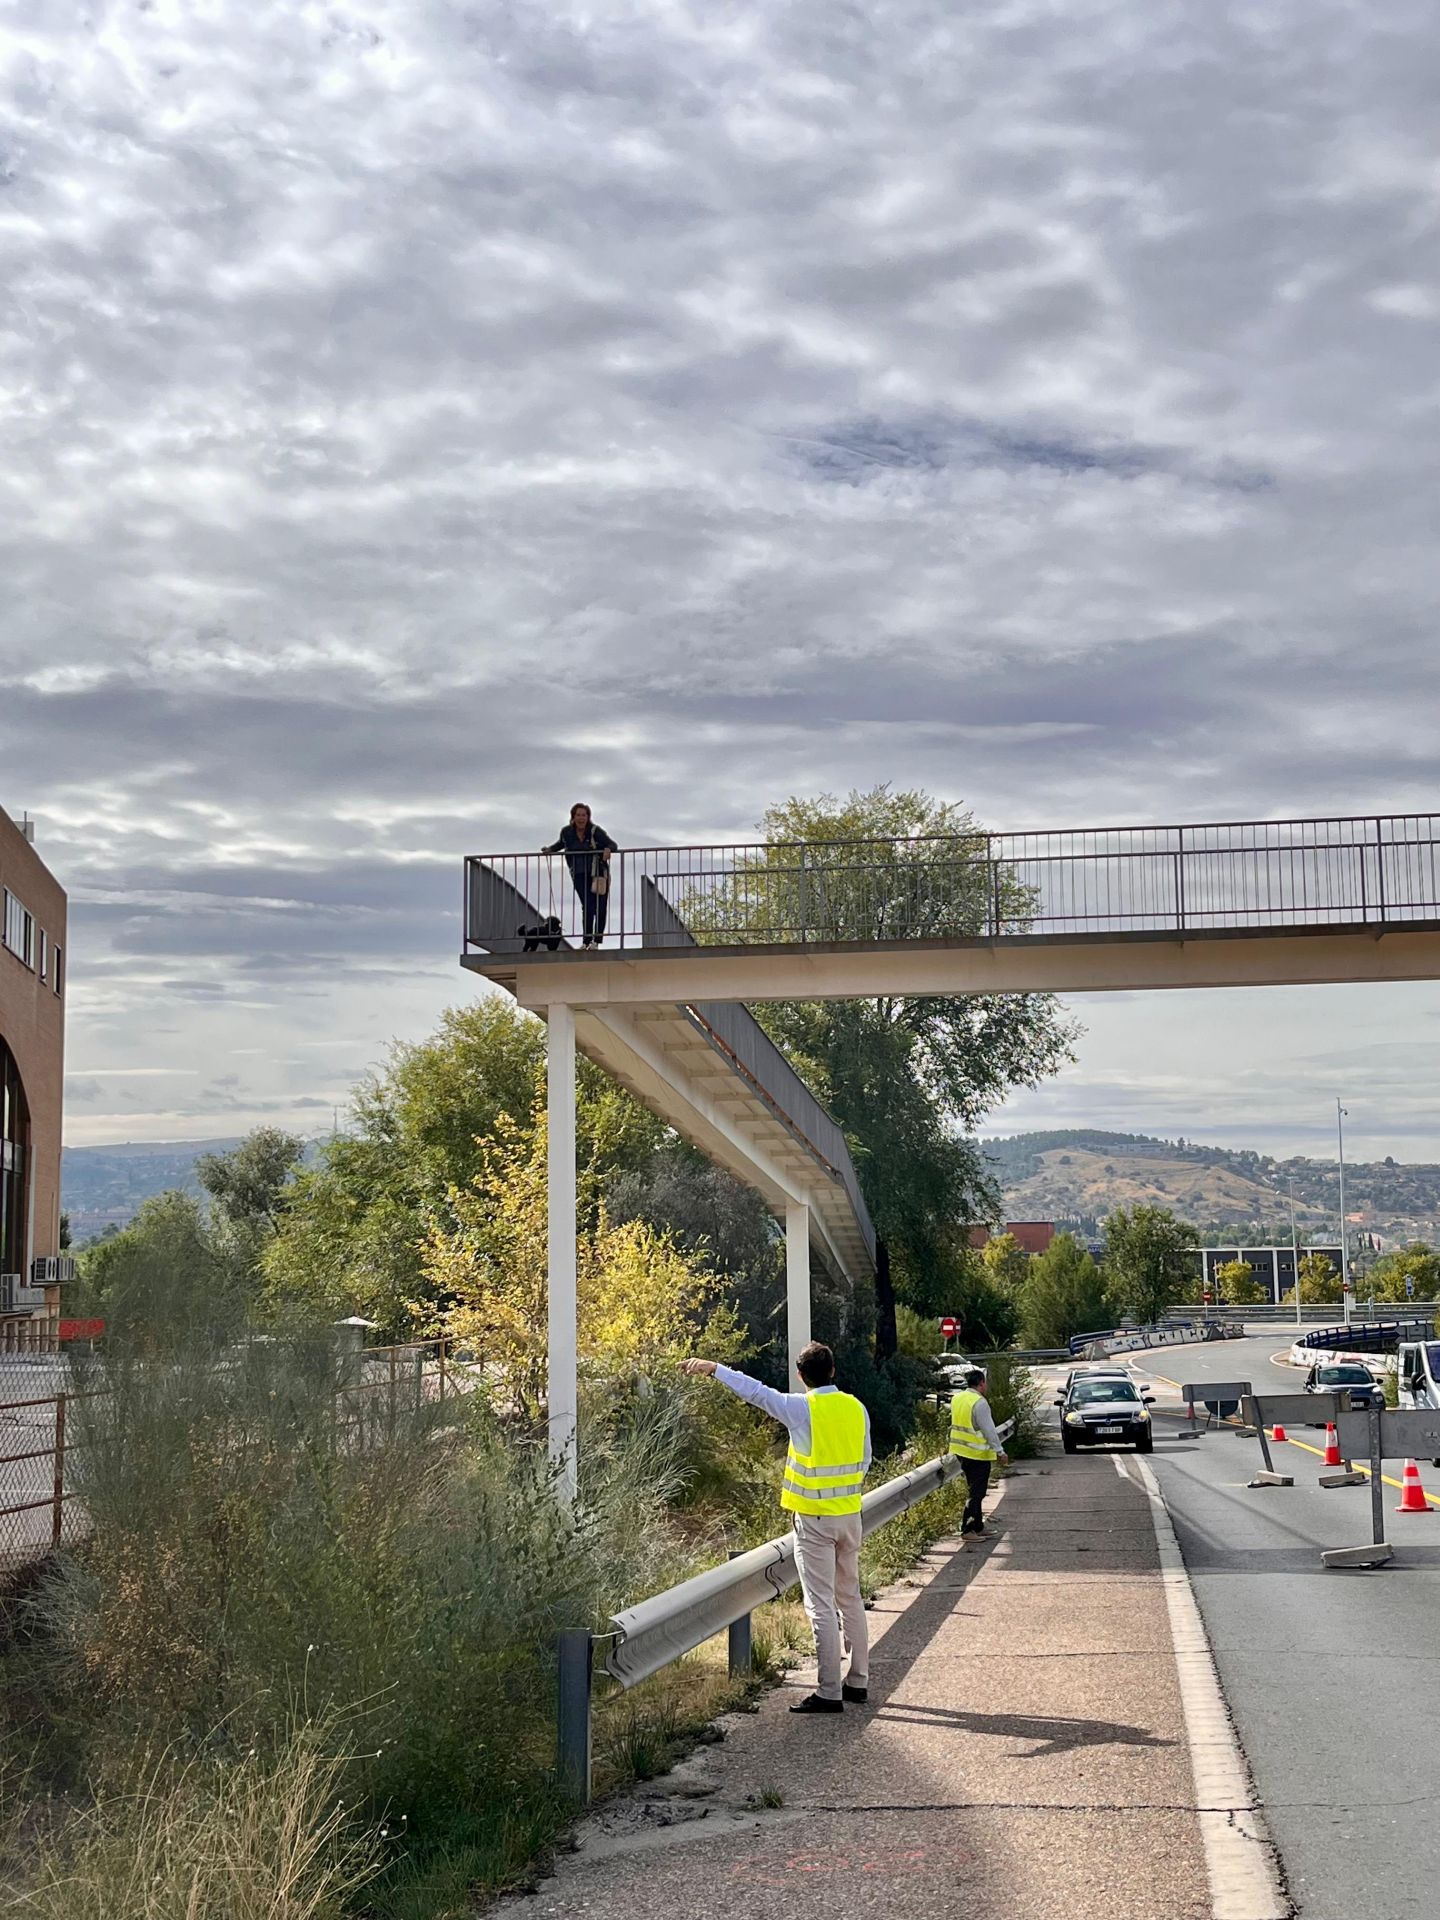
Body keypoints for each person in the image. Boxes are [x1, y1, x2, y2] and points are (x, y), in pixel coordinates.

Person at [684, 1341, 870, 1714]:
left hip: (815, 1520)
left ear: (801, 1376)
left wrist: (715, 1368)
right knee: (850, 1597)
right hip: (850, 1515)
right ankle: (858, 1681)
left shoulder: (801, 1408)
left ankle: (829, 1691)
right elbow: (865, 1458)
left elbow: (756, 1392)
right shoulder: (856, 1407)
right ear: (832, 1371)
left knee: (820, 1605)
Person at [541, 804, 618, 949]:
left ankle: (597, 941)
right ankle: (586, 941)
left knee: (600, 906)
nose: (581, 818)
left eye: (584, 815)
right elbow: (560, 844)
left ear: (588, 817)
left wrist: (608, 849)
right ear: (573, 817)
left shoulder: (595, 831)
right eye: (578, 815)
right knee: (588, 906)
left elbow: (613, 844)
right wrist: (550, 849)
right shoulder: (566, 832)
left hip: (598, 874)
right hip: (578, 873)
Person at [948, 1367, 1009, 1541]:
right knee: (976, 1493)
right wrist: (1000, 1451)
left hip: (961, 1451)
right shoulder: (979, 1402)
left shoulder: (958, 1398)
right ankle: (968, 1530)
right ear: (982, 1383)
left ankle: (978, 1526)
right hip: (976, 1454)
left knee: (975, 1491)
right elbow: (989, 1430)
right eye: (986, 1383)